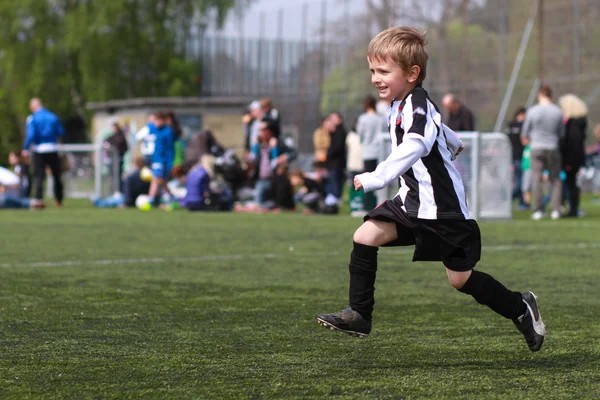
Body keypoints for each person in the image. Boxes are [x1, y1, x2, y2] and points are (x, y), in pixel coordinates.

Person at [316, 27, 546, 353]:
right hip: (411, 201)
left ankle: (521, 307)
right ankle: (359, 315)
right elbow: (433, 127)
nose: (375, 78)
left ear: (412, 73)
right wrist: (454, 140)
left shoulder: (416, 103)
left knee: (461, 280)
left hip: (442, 208)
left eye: (384, 71)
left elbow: (416, 141)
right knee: (365, 236)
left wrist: (378, 177)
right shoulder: (400, 104)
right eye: (373, 70)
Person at [522, 85, 564, 220]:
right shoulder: (557, 111)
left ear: (540, 95)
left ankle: (537, 210)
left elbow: (525, 132)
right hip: (552, 146)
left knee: (536, 178)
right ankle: (556, 209)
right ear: (550, 96)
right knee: (555, 179)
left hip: (536, 146)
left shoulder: (532, 111)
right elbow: (562, 133)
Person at [22, 98, 65, 208]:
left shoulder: (33, 118)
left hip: (39, 149)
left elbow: (31, 135)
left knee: (39, 176)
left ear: (33, 107)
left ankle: (39, 199)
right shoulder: (53, 116)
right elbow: (60, 131)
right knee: (56, 175)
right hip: (53, 148)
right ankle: (58, 200)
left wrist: (25, 148)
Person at [558, 94, 588, 217]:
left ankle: (573, 209)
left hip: (571, 159)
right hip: (574, 158)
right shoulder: (578, 123)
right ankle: (572, 208)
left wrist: (569, 161)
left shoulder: (573, 124)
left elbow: (573, 144)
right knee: (572, 184)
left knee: (571, 184)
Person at [357, 95, 386, 211]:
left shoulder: (363, 119)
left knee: (368, 180)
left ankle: (366, 206)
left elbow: (360, 136)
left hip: (368, 152)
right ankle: (378, 205)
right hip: (380, 152)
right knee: (379, 180)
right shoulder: (381, 119)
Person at [148, 112, 175, 208]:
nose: (155, 122)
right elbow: (149, 125)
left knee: (157, 179)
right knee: (159, 180)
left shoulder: (168, 132)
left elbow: (170, 149)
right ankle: (170, 196)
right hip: (155, 160)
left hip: (162, 161)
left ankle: (150, 199)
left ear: (163, 121)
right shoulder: (154, 129)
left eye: (157, 120)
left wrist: (170, 162)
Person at [505, 107, 528, 209]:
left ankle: (522, 203)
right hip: (521, 157)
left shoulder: (510, 125)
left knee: (520, 180)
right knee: (521, 181)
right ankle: (508, 198)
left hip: (512, 156)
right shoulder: (523, 126)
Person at [104, 122, 128, 193]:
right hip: (112, 160)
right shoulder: (111, 137)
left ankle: (119, 190)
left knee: (118, 176)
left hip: (118, 160)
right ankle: (112, 190)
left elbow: (125, 148)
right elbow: (106, 143)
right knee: (112, 176)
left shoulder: (121, 137)